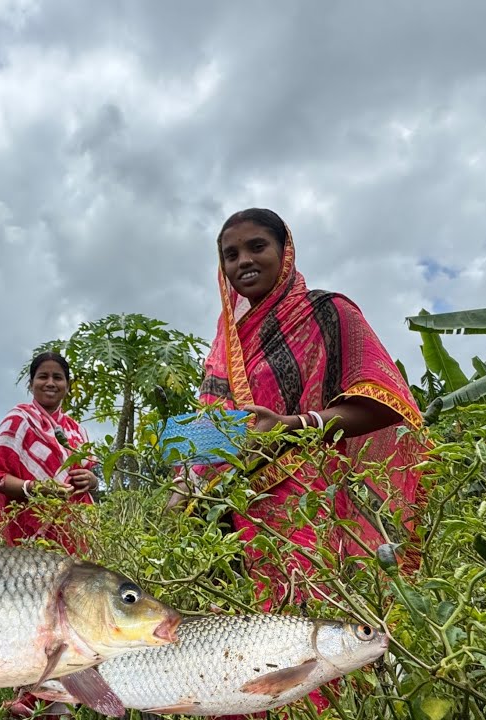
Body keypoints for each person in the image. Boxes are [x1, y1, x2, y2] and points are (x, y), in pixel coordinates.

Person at [170, 207, 427, 600]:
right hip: (235, 511)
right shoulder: (225, 341)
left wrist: (292, 425)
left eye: (257, 247)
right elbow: (213, 424)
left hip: (312, 498)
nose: (244, 261)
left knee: (320, 620)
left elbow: (388, 404)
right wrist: (183, 480)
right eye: (231, 254)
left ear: (285, 250)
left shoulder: (328, 311)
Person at [0, 351, 99, 555]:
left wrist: (92, 481)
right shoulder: (17, 421)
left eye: (57, 377)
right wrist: (39, 488)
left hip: (71, 533)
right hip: (26, 531)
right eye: (42, 376)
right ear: (31, 384)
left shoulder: (78, 431)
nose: (50, 383)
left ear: (67, 385)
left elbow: (87, 482)